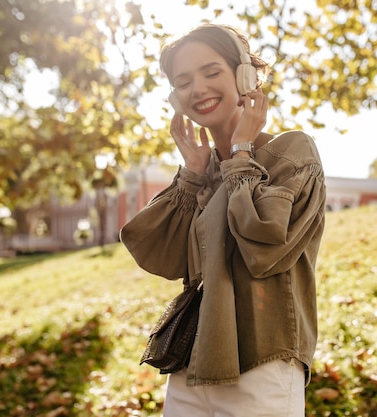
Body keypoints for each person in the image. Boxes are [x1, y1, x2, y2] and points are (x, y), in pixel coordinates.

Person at [120, 23, 326, 417]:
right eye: (183, 81)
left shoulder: (292, 153)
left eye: (211, 72)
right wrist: (192, 175)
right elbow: (158, 254)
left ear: (245, 76)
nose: (197, 88)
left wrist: (242, 153)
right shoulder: (201, 170)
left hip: (263, 364)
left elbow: (264, 249)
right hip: (191, 368)